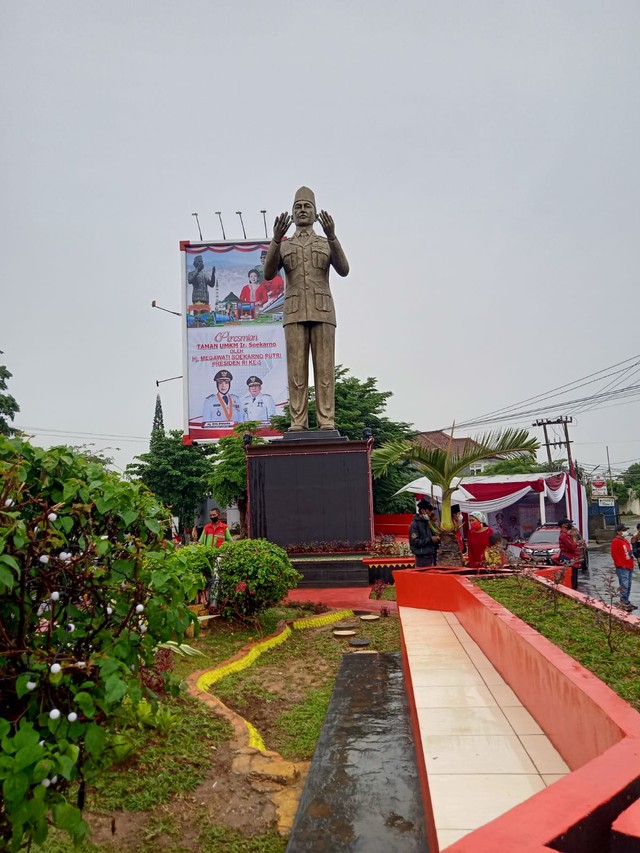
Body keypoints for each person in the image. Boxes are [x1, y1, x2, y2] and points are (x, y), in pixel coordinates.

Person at [263, 186, 349, 431]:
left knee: (324, 372)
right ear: (292, 213)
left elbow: (344, 269)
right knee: (296, 374)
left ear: (315, 213)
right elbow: (268, 274)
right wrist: (275, 239)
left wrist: (333, 236)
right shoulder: (284, 245)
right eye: (298, 207)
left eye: (307, 206)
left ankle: (326, 421)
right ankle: (298, 422)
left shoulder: (325, 242)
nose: (302, 211)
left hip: (323, 311)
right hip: (294, 312)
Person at [611, 523, 636, 611]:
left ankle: (626, 601)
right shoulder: (616, 541)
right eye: (623, 530)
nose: (625, 532)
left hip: (629, 566)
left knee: (628, 585)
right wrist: (621, 564)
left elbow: (629, 552)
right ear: (618, 532)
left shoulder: (624, 541)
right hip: (623, 567)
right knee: (624, 585)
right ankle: (623, 602)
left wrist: (632, 562)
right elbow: (614, 555)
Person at [409, 499, 440, 567]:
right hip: (421, 558)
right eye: (429, 512)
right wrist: (430, 539)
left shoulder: (429, 522)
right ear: (423, 511)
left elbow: (435, 536)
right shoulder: (415, 524)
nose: (430, 514)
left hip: (432, 556)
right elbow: (414, 542)